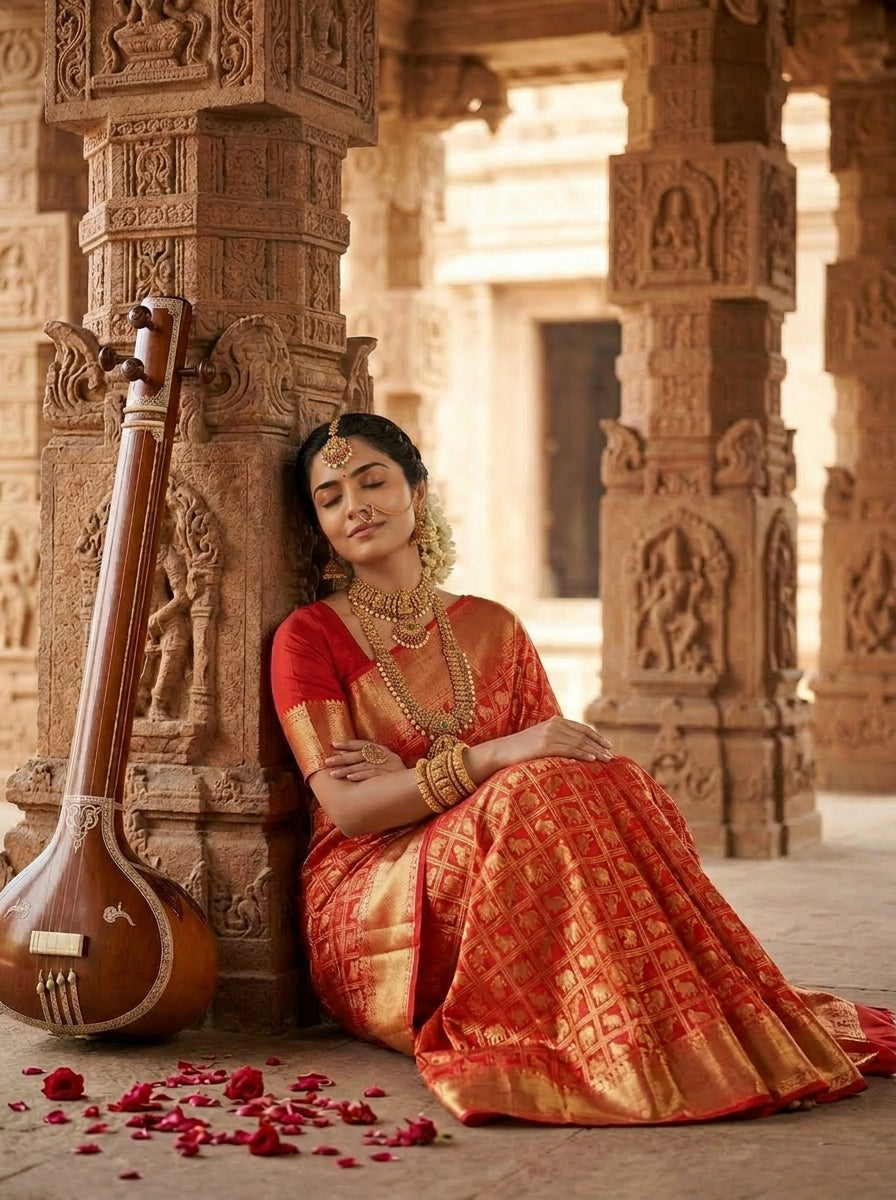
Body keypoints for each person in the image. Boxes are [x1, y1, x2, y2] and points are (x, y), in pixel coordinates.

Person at [271, 412, 895, 1127]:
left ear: (417, 489)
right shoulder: (309, 637)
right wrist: (488, 757)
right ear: (320, 526)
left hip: (493, 861)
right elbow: (353, 811)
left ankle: (659, 1010)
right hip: (375, 903)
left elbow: (560, 768)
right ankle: (636, 1026)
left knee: (611, 779)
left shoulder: (493, 627)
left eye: (372, 482)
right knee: (532, 787)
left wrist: (419, 776)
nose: (355, 505)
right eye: (330, 498)